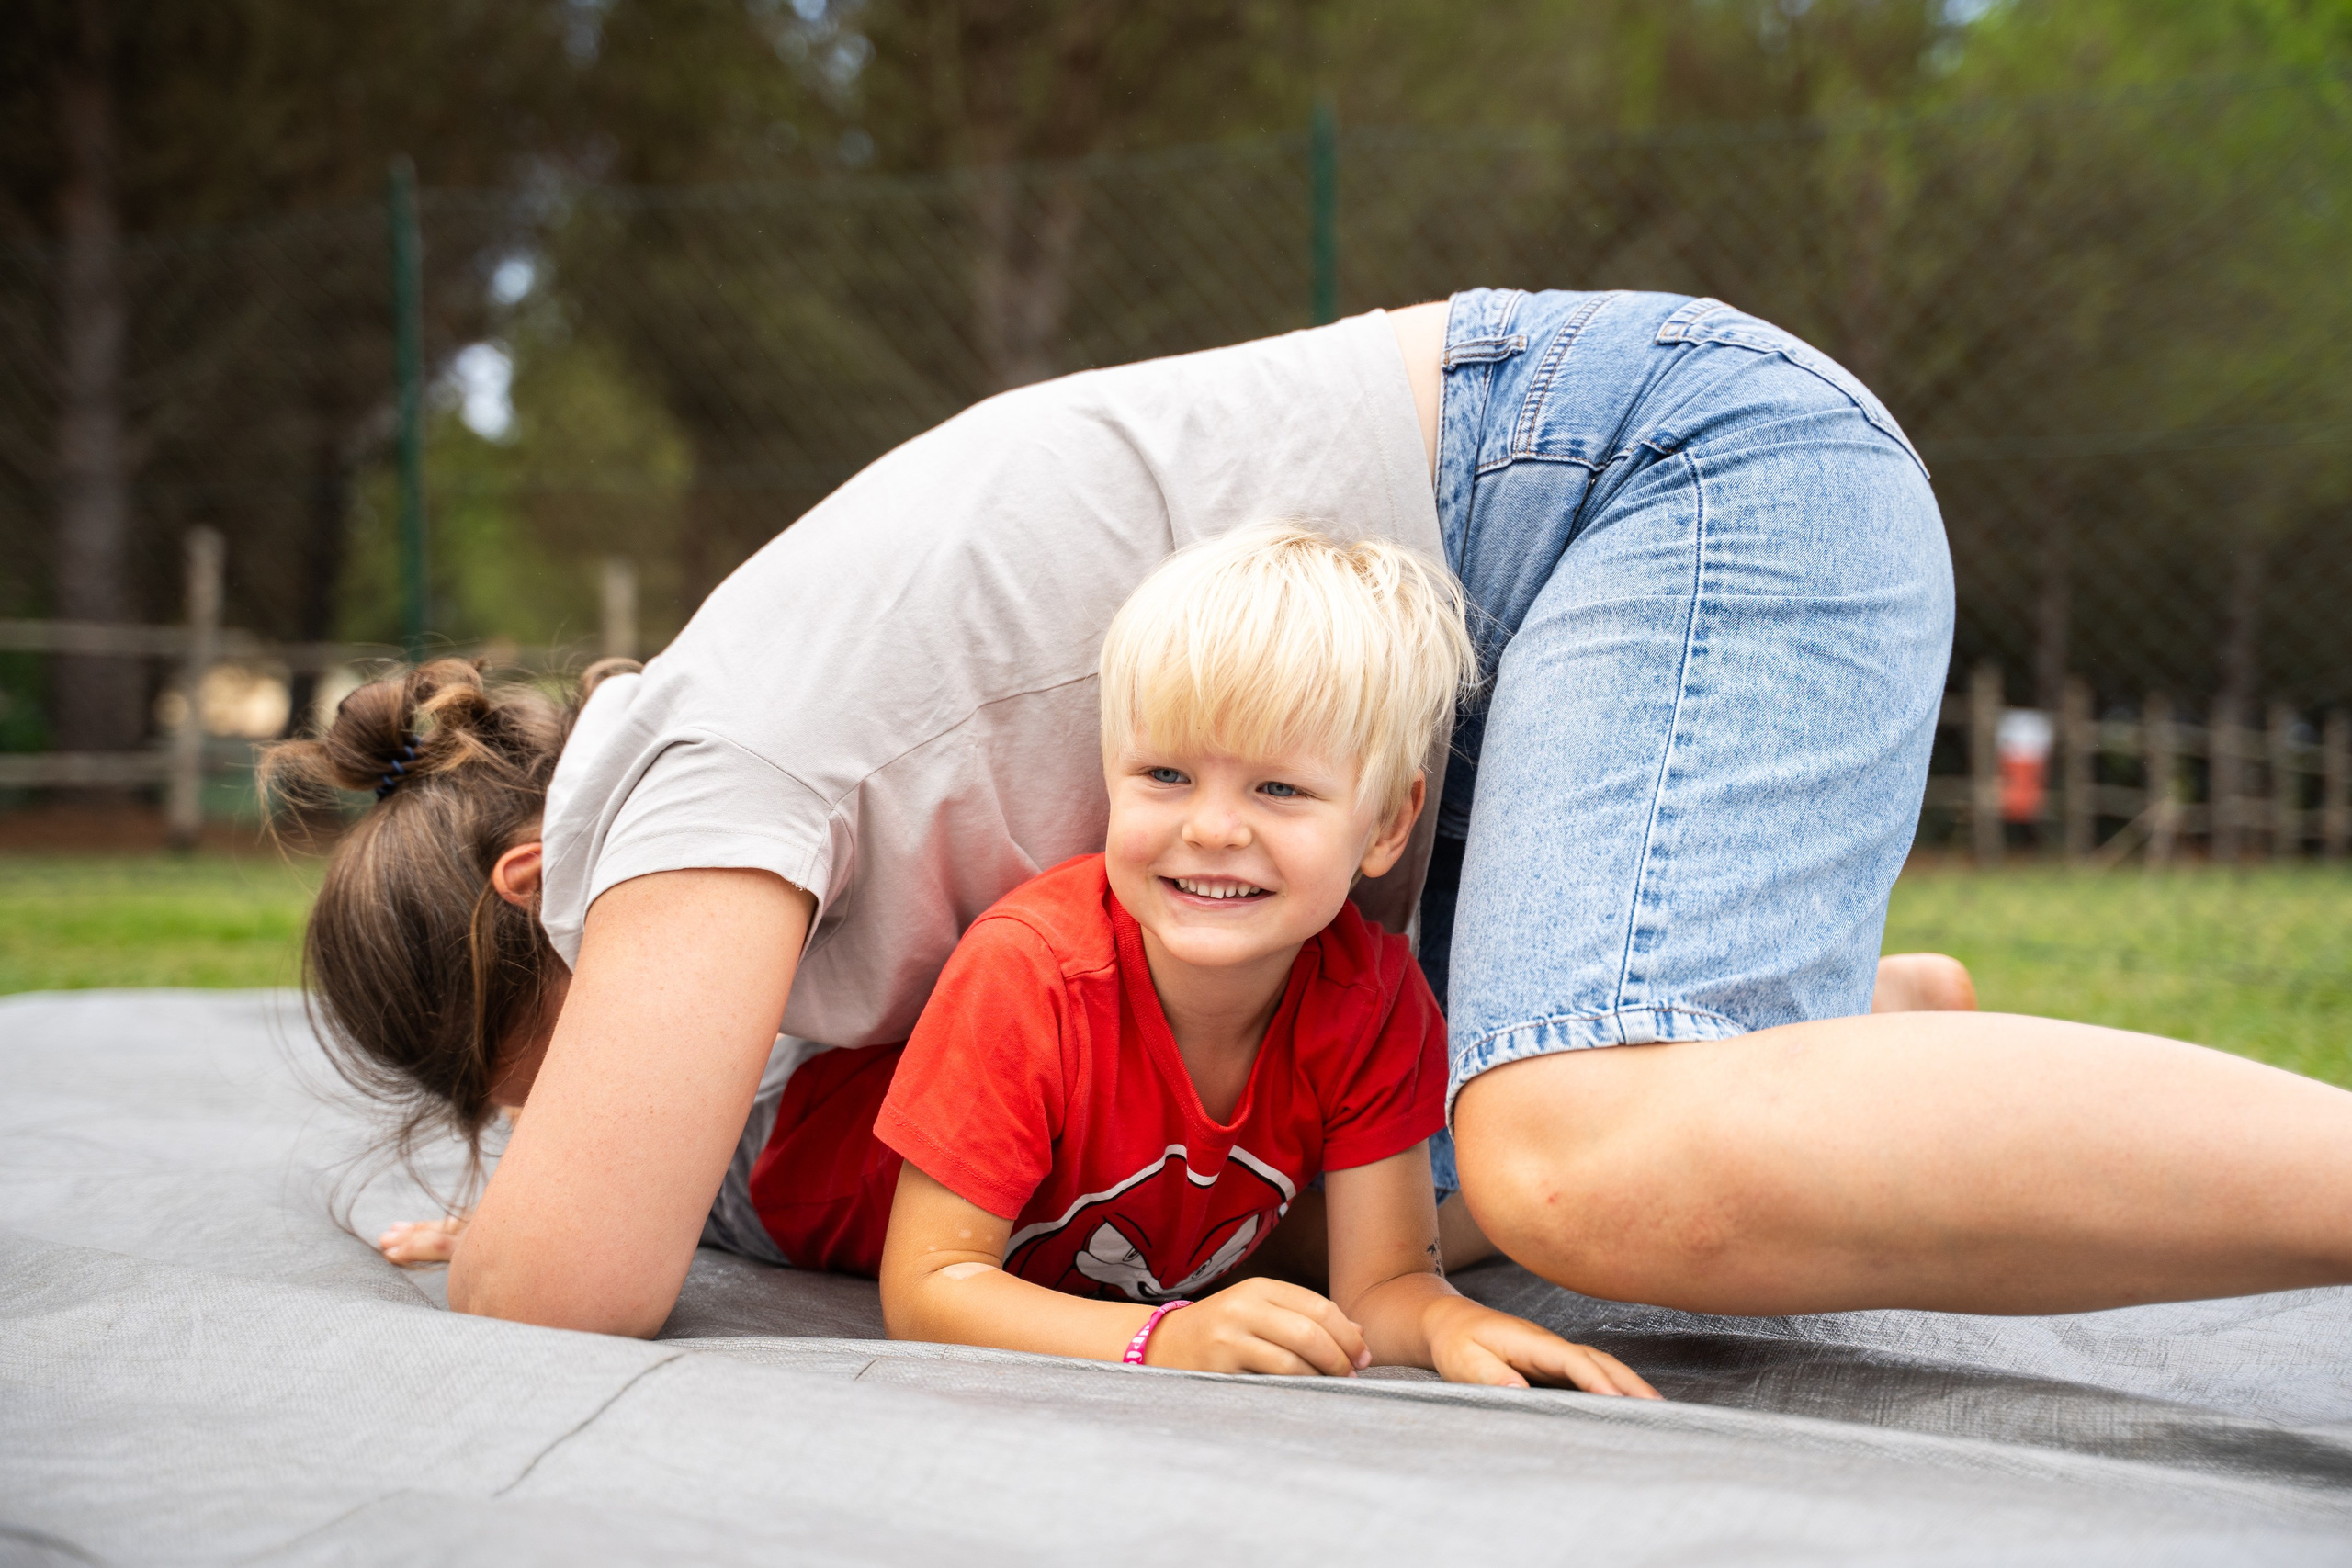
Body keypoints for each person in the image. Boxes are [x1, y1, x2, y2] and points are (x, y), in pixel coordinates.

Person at [275, 290, 2352, 1341]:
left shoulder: (695, 782)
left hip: (1642, 471)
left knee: (1576, 1161)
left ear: (549, 880)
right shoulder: (753, 758)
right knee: (1278, 1138)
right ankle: (1828, 1025)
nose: (653, 1077)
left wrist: (561, 1191)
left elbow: (573, 1290)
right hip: (1459, 630)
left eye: (562, 1066)